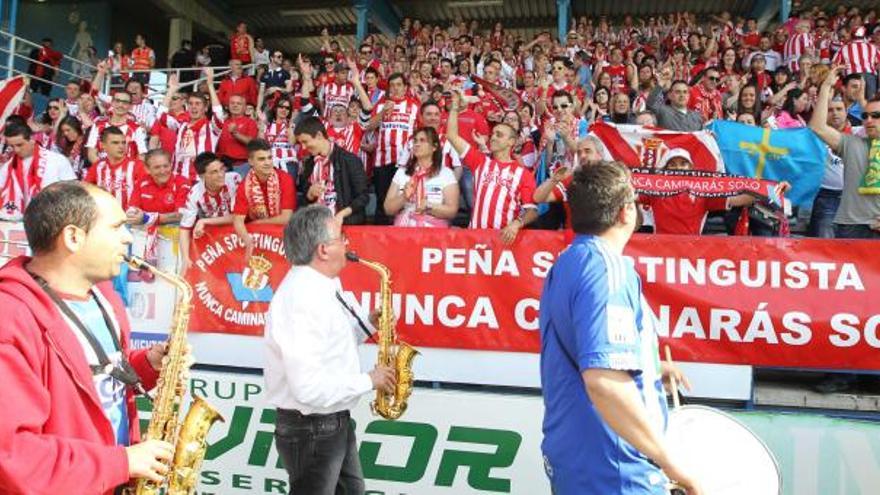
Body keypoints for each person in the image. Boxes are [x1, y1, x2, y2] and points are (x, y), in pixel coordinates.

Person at [0, 181, 175, 493]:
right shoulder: (10, 318)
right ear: (73, 237)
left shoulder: (103, 295)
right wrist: (120, 463)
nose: (126, 237)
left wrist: (147, 364)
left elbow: (92, 374)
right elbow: (13, 454)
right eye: (117, 227)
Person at [538, 161, 701, 495]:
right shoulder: (607, 269)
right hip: (615, 466)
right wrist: (668, 461)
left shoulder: (569, 260)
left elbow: (585, 351)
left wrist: (650, 367)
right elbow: (604, 381)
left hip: (582, 456)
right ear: (627, 212)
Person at [264, 204, 395, 494]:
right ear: (323, 250)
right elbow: (308, 389)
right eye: (341, 237)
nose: (347, 243)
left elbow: (331, 346)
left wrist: (369, 325)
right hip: (311, 427)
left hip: (330, 422)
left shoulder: (323, 285)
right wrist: (368, 380)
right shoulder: (302, 299)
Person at [446, 91, 538, 244]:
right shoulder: (480, 162)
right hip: (474, 239)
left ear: (511, 142)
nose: (493, 137)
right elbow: (452, 136)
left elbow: (532, 210)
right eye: (494, 133)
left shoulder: (523, 174)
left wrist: (517, 224)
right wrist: (455, 107)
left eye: (499, 135)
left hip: (502, 243)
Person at [810, 66, 880, 238]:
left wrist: (862, 99)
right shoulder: (854, 143)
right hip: (854, 223)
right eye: (865, 116)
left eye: (876, 116)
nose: (869, 120)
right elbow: (817, 127)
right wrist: (826, 87)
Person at [295, 117, 369, 225]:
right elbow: (304, 200)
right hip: (316, 226)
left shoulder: (349, 160)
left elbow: (363, 197)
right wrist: (309, 194)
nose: (304, 147)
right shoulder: (310, 163)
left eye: (305, 142)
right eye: (301, 143)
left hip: (346, 225)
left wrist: (341, 215)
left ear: (319, 135)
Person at [232, 139, 296, 260]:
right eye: (261, 159)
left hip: (282, 239)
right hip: (259, 239)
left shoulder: (285, 179)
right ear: (250, 161)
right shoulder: (245, 185)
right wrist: (247, 240)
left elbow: (286, 218)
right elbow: (238, 219)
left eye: (269, 158)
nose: (267, 163)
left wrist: (255, 224)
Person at [384, 126, 460, 227]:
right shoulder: (401, 172)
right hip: (404, 230)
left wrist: (429, 207)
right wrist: (404, 197)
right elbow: (388, 209)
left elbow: (452, 211)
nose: (417, 144)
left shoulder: (446, 174)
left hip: (433, 232)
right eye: (415, 141)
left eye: (422, 140)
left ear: (434, 147)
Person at [157, 69, 225, 182]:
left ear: (205, 108)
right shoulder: (181, 126)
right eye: (190, 104)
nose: (193, 107)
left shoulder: (212, 127)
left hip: (201, 180)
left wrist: (210, 85)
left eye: (198, 104)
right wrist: (171, 90)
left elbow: (218, 113)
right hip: (178, 178)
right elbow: (160, 116)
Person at [0, 121, 76, 221]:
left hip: (51, 220)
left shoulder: (57, 160)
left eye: (19, 145)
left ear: (32, 139)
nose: (16, 150)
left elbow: (73, 192)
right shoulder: (8, 167)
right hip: (19, 223)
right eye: (12, 146)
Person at [179, 152, 241, 273]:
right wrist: (185, 258)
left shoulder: (234, 179)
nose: (221, 175)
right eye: (214, 172)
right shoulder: (195, 194)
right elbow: (184, 229)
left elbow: (239, 217)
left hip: (239, 233)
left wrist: (205, 221)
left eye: (221, 169)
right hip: (215, 239)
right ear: (202, 176)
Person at [84, 126, 147, 211]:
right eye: (115, 143)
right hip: (105, 218)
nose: (121, 146)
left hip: (130, 219)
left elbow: (146, 194)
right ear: (102, 145)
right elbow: (85, 190)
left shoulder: (138, 166)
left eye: (123, 143)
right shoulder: (97, 167)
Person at [126, 149, 190, 226]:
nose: (162, 171)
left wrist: (147, 218)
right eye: (157, 167)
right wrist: (132, 215)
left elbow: (180, 215)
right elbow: (133, 208)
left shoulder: (182, 183)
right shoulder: (141, 182)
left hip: (174, 231)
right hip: (146, 230)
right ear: (147, 169)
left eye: (166, 166)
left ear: (171, 165)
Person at [216, 94, 258, 170]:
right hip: (222, 165)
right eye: (232, 103)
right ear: (228, 106)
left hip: (241, 165)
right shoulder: (222, 122)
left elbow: (251, 142)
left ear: (245, 107)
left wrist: (235, 133)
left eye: (239, 103)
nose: (235, 105)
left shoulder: (250, 122)